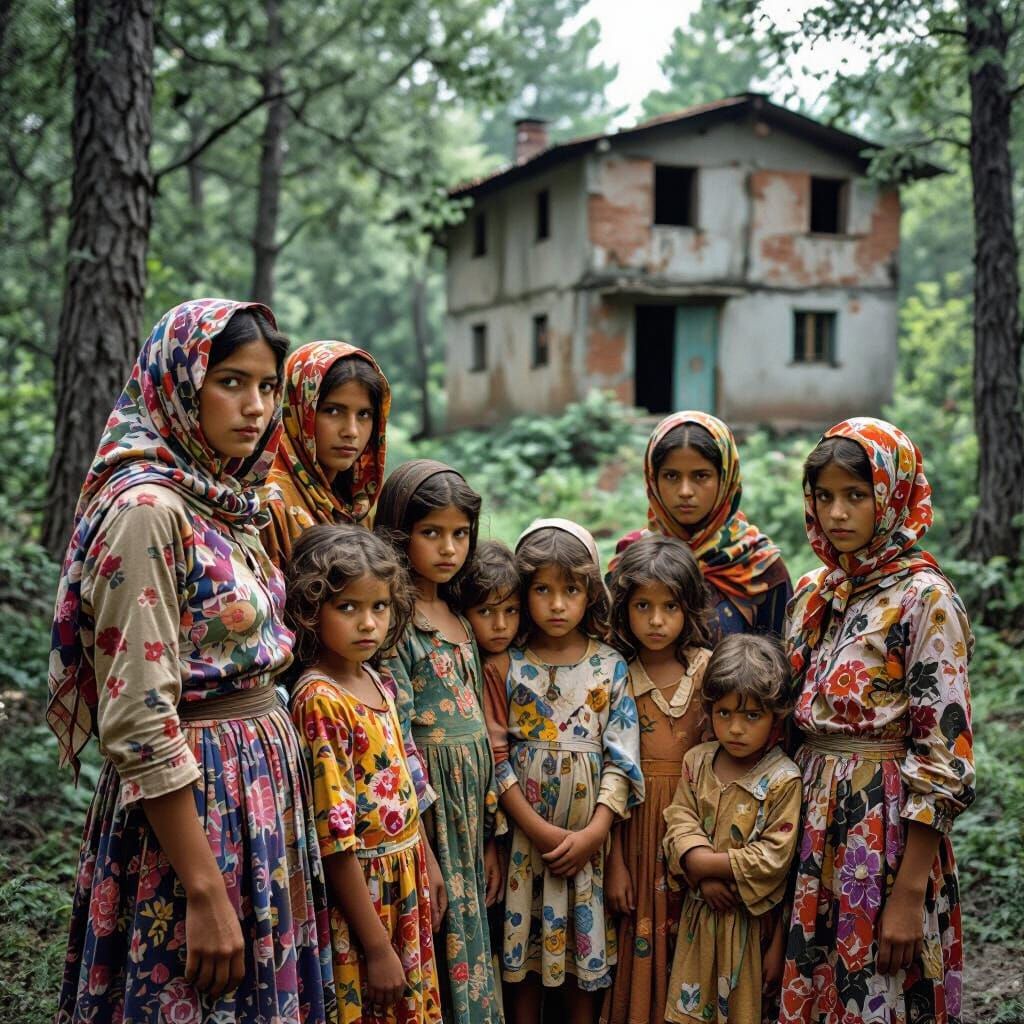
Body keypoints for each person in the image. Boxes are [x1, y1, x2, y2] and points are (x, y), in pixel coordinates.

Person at [47, 299, 335, 1023]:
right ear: (176, 384)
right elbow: (140, 715)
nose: (256, 406)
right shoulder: (150, 510)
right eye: (232, 382)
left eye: (267, 387)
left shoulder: (223, 498)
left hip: (256, 790)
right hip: (192, 811)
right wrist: (204, 890)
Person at [779, 418, 975, 1024]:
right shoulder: (817, 592)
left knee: (879, 989)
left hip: (884, 833)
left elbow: (944, 752)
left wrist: (910, 891)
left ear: (892, 495)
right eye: (825, 496)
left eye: (856, 495)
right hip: (809, 822)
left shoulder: (923, 599)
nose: (838, 513)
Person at [484, 518, 644, 1024]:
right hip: (525, 853)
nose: (556, 604)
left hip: (588, 854)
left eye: (570, 590)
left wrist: (596, 833)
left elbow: (622, 759)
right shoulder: (504, 667)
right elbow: (496, 757)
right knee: (524, 972)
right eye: (542, 590)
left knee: (582, 972)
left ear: (591, 595)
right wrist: (538, 830)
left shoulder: (611, 667)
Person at [286, 524, 443, 1024]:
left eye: (379, 607)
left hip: (405, 877)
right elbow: (334, 838)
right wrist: (376, 947)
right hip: (364, 899)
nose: (368, 623)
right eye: (348, 608)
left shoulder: (376, 679)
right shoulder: (320, 700)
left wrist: (430, 864)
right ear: (312, 611)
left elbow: (405, 787)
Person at [374, 460, 504, 1024]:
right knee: (438, 933)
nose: (449, 548)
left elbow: (482, 731)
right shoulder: (396, 623)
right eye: (432, 533)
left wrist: (492, 834)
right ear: (401, 534)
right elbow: (397, 739)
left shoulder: (457, 614)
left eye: (460, 534)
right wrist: (422, 844)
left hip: (470, 816)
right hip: (429, 817)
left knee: (474, 936)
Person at [600, 535, 714, 1024]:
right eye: (642, 605)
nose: (655, 620)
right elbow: (614, 779)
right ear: (622, 608)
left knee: (694, 935)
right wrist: (616, 864)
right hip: (637, 831)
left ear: (689, 608)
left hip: (694, 827)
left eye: (669, 606)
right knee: (639, 938)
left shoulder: (710, 672)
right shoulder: (615, 674)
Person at [663, 633, 802, 1024]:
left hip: (749, 926)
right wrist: (698, 872)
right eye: (724, 713)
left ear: (776, 716)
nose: (736, 728)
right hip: (699, 919)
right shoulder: (697, 762)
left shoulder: (783, 779)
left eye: (751, 716)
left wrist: (705, 865)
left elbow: (773, 857)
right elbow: (678, 819)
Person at [612, 411, 791, 638]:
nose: (685, 491)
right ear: (652, 479)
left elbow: (779, 658)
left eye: (701, 476)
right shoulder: (631, 557)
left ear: (725, 478)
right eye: (671, 476)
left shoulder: (760, 565)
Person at [261, 340, 390, 566]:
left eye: (364, 414)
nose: (351, 431)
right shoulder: (270, 503)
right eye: (333, 411)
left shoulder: (357, 506)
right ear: (299, 410)